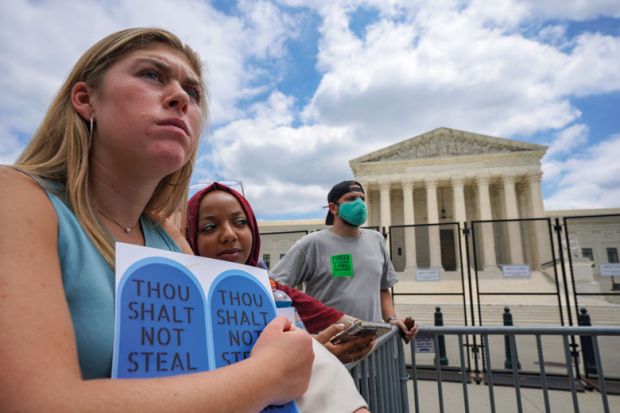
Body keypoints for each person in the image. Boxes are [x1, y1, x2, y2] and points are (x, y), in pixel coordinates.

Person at [0, 28, 313, 412]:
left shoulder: (167, 237)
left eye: (194, 93)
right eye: (152, 75)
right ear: (85, 99)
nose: (181, 97)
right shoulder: (16, 198)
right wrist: (267, 377)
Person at [186, 182, 375, 364]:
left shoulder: (271, 291)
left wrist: (370, 330)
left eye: (241, 222)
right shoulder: (181, 303)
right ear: (190, 237)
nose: (229, 234)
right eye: (209, 227)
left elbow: (322, 313)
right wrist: (308, 355)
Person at [271, 180, 419, 341]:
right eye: (351, 198)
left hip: (371, 344)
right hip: (332, 346)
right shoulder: (312, 244)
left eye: (362, 198)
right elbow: (274, 287)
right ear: (333, 208)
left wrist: (391, 318)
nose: (359, 203)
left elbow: (383, 289)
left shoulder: (376, 240)